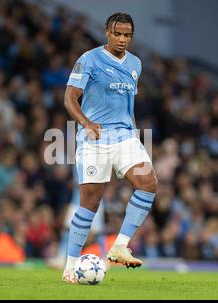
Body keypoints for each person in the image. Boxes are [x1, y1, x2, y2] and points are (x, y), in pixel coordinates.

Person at [62, 13, 158, 283]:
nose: (122, 39)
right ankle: (70, 266)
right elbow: (69, 98)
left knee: (148, 182)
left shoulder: (135, 64)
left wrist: (136, 135)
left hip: (125, 136)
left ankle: (119, 246)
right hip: (95, 138)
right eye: (117, 34)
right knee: (90, 203)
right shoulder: (88, 59)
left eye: (127, 35)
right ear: (107, 32)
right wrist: (86, 123)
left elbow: (128, 104)